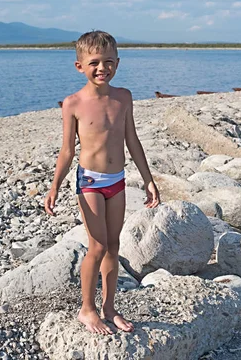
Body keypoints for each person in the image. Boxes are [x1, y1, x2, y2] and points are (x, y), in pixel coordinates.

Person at [44, 30, 160, 334]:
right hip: (90, 181)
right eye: (94, 62)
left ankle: (109, 308)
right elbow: (68, 149)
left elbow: (132, 140)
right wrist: (55, 186)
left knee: (112, 245)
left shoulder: (123, 97)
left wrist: (148, 180)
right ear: (79, 66)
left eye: (108, 62)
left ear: (118, 63)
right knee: (95, 246)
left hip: (117, 180)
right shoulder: (73, 103)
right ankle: (87, 309)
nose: (102, 68)